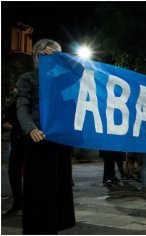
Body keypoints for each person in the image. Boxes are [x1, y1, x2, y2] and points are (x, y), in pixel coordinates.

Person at [16, 39, 75, 234]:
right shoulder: (27, 79)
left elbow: (82, 70)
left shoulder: (61, 79)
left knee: (58, 190)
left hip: (60, 142)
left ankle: (53, 228)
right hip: (38, 140)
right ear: (35, 57)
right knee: (39, 191)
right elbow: (22, 106)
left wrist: (63, 58)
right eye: (45, 54)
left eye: (55, 55)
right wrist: (30, 128)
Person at [2, 89, 26, 215]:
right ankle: (18, 202)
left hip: (33, 145)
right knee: (13, 172)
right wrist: (9, 126)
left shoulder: (35, 104)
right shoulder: (15, 104)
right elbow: (5, 122)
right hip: (17, 144)